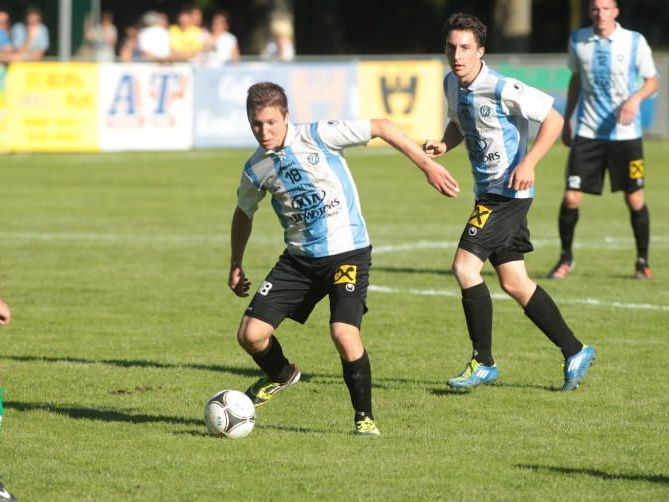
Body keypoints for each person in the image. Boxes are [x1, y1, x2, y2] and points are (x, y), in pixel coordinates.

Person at [230, 82, 459, 436]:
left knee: (343, 332)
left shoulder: (320, 136)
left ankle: (364, 418)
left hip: (347, 252)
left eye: (272, 122)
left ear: (286, 116)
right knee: (251, 335)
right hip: (299, 260)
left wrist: (427, 166)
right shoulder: (256, 167)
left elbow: (382, 126)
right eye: (256, 124)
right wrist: (236, 263)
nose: (265, 131)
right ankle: (281, 374)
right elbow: (244, 212)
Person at [423, 13, 596, 391]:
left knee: (464, 266)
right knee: (516, 282)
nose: (457, 54)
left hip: (507, 193)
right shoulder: (450, 83)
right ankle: (574, 349)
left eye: (466, 48)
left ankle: (483, 361)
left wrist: (529, 163)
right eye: (451, 47)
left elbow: (553, 119)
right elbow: (458, 123)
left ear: (481, 51)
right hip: (489, 192)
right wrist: (442, 143)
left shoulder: (501, 86)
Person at [548, 0, 659, 280]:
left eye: (606, 8)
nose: (600, 13)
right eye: (595, 8)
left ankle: (642, 261)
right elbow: (575, 79)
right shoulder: (578, 40)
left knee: (635, 200)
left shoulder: (634, 41)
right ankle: (565, 259)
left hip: (626, 136)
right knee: (571, 197)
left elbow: (652, 81)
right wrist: (567, 120)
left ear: (616, 12)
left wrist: (635, 99)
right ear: (590, 12)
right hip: (588, 132)